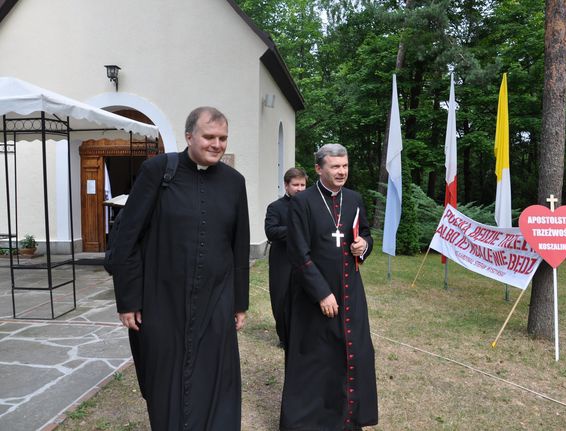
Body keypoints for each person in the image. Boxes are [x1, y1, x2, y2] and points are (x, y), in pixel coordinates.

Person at [111, 106, 250, 430]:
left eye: (223, 138)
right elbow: (126, 238)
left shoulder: (234, 182)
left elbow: (239, 245)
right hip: (163, 299)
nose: (217, 144)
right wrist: (129, 299)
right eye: (209, 137)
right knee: (165, 381)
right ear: (189, 136)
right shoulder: (157, 171)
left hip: (216, 299)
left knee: (217, 379)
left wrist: (239, 302)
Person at [280, 144, 378, 431]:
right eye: (335, 166)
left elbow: (366, 234)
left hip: (350, 293)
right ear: (319, 169)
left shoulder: (355, 199)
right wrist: (321, 292)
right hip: (314, 295)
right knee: (316, 359)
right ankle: (309, 421)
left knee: (353, 354)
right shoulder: (302, 203)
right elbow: (298, 253)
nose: (342, 171)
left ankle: (347, 418)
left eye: (345, 166)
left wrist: (365, 246)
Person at [264, 167, 307, 348]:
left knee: (304, 296)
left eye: (302, 185)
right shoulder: (275, 207)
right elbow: (271, 231)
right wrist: (296, 230)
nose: (299, 188)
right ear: (286, 186)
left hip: (306, 257)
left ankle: (303, 334)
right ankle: (284, 336)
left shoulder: (311, 205)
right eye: (295, 185)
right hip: (282, 259)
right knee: (281, 296)